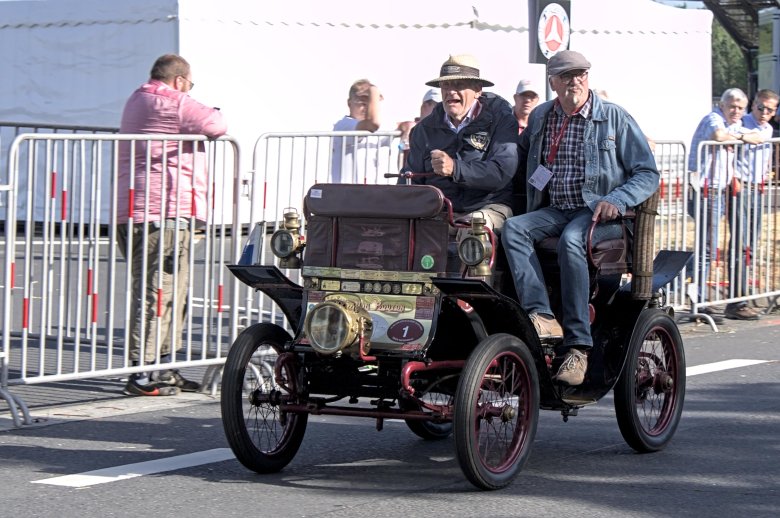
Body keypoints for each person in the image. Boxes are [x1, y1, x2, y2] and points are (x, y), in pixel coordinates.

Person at [501, 50, 659, 386]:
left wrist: (616, 199)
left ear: (588, 77)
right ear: (552, 82)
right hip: (555, 209)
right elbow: (520, 161)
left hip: (599, 215)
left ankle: (578, 347)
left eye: (581, 74)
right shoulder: (543, 116)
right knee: (513, 228)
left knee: (573, 239)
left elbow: (647, 173)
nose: (575, 80)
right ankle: (541, 315)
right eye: (567, 75)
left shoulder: (614, 117)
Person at [117, 54, 227, 396]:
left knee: (172, 293)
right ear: (180, 81)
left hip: (146, 209)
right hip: (159, 211)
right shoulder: (169, 100)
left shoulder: (138, 97)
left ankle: (163, 367)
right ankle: (142, 373)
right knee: (157, 292)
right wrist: (212, 108)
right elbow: (215, 124)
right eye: (190, 85)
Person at [402, 53, 519, 253]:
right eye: (446, 86)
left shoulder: (501, 120)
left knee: (473, 230)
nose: (451, 92)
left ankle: (473, 285)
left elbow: (502, 172)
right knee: (403, 232)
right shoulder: (425, 128)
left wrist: (455, 168)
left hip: (490, 207)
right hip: (440, 211)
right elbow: (410, 182)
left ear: (477, 90)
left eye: (459, 84)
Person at [687, 88, 764, 319]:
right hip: (705, 190)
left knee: (709, 247)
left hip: (717, 191)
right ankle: (695, 296)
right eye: (732, 106)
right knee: (708, 248)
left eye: (741, 108)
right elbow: (718, 136)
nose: (736, 111)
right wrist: (742, 137)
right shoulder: (714, 118)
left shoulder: (733, 124)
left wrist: (744, 135)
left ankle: (695, 293)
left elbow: (756, 137)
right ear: (722, 105)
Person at [725, 89, 779, 320]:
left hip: (757, 188)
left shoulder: (768, 129)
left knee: (751, 245)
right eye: (761, 108)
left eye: (770, 109)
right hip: (740, 187)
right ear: (753, 105)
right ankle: (737, 301)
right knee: (740, 243)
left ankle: (744, 296)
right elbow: (724, 136)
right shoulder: (741, 123)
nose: (764, 113)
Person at [331, 79, 383, 183]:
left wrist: (405, 126)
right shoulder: (343, 125)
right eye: (362, 103)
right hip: (349, 193)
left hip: (372, 193)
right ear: (349, 103)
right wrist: (374, 90)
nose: (367, 109)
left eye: (371, 104)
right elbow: (373, 124)